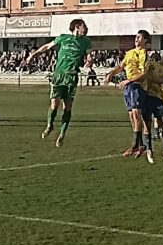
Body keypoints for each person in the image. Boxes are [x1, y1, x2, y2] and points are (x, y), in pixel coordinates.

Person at [27, 19, 92, 147]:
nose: (86, 28)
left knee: (67, 107)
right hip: (59, 75)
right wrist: (32, 55)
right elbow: (47, 46)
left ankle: (62, 133)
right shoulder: (63, 38)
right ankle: (50, 126)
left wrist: (89, 61)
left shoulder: (86, 42)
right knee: (54, 105)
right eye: (84, 26)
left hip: (72, 76)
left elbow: (89, 56)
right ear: (77, 27)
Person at [105, 30, 149, 156]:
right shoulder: (130, 53)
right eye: (136, 36)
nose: (136, 38)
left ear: (145, 40)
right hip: (129, 86)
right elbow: (120, 67)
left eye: (139, 37)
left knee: (136, 114)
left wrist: (129, 80)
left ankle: (134, 145)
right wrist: (111, 74)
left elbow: (144, 74)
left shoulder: (143, 53)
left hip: (137, 85)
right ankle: (140, 145)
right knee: (131, 116)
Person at [139, 50, 163, 163]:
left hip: (159, 98)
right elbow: (145, 73)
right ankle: (149, 150)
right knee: (147, 125)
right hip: (147, 97)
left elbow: (162, 80)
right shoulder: (153, 64)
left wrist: (150, 78)